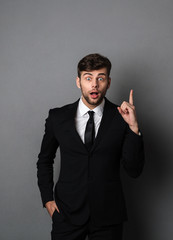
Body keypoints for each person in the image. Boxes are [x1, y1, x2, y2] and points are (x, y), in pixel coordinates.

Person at [37, 53, 145, 240]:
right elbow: (45, 160)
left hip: (108, 217)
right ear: (79, 82)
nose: (94, 84)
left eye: (100, 78)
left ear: (108, 83)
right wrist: (47, 199)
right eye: (88, 78)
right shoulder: (58, 117)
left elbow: (134, 170)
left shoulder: (121, 118)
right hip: (67, 215)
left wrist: (134, 127)